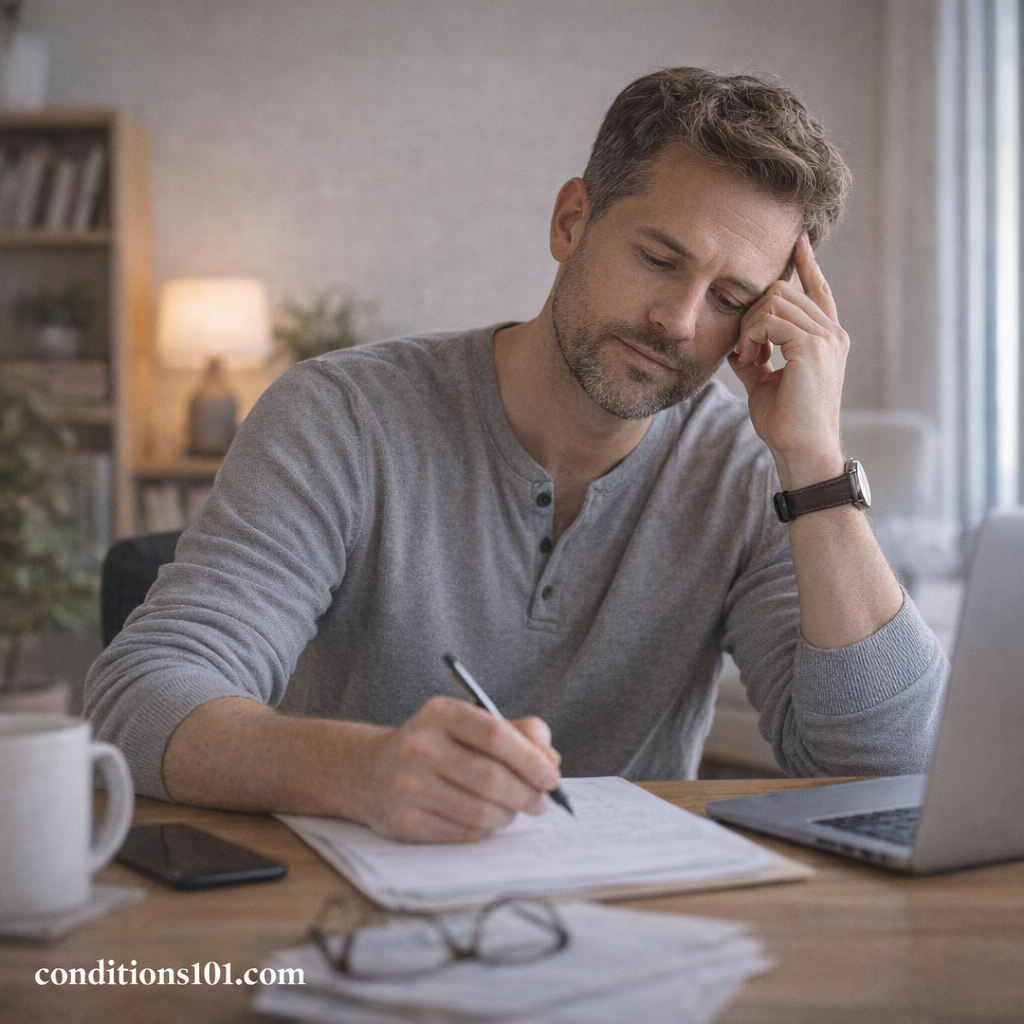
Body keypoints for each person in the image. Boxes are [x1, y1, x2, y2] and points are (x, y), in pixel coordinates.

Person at [85, 68, 947, 844]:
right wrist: (359, 770)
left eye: (729, 298)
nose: (680, 322)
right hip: (354, 905)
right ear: (572, 221)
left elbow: (891, 767)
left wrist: (816, 463)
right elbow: (142, 695)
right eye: (657, 258)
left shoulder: (753, 472)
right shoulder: (340, 416)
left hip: (636, 921)